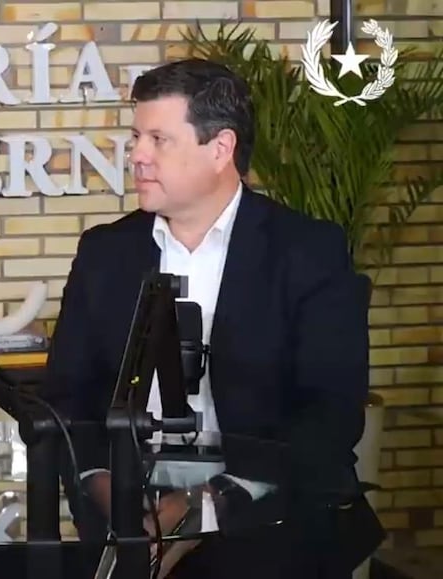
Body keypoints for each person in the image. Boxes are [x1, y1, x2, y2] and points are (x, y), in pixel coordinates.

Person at [42, 58, 385, 578]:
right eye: (136, 138)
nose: (137, 156)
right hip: (124, 521)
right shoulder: (104, 252)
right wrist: (108, 491)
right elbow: (66, 396)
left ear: (221, 148)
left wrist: (206, 504)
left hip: (270, 524)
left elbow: (331, 414)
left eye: (159, 139)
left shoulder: (309, 252)